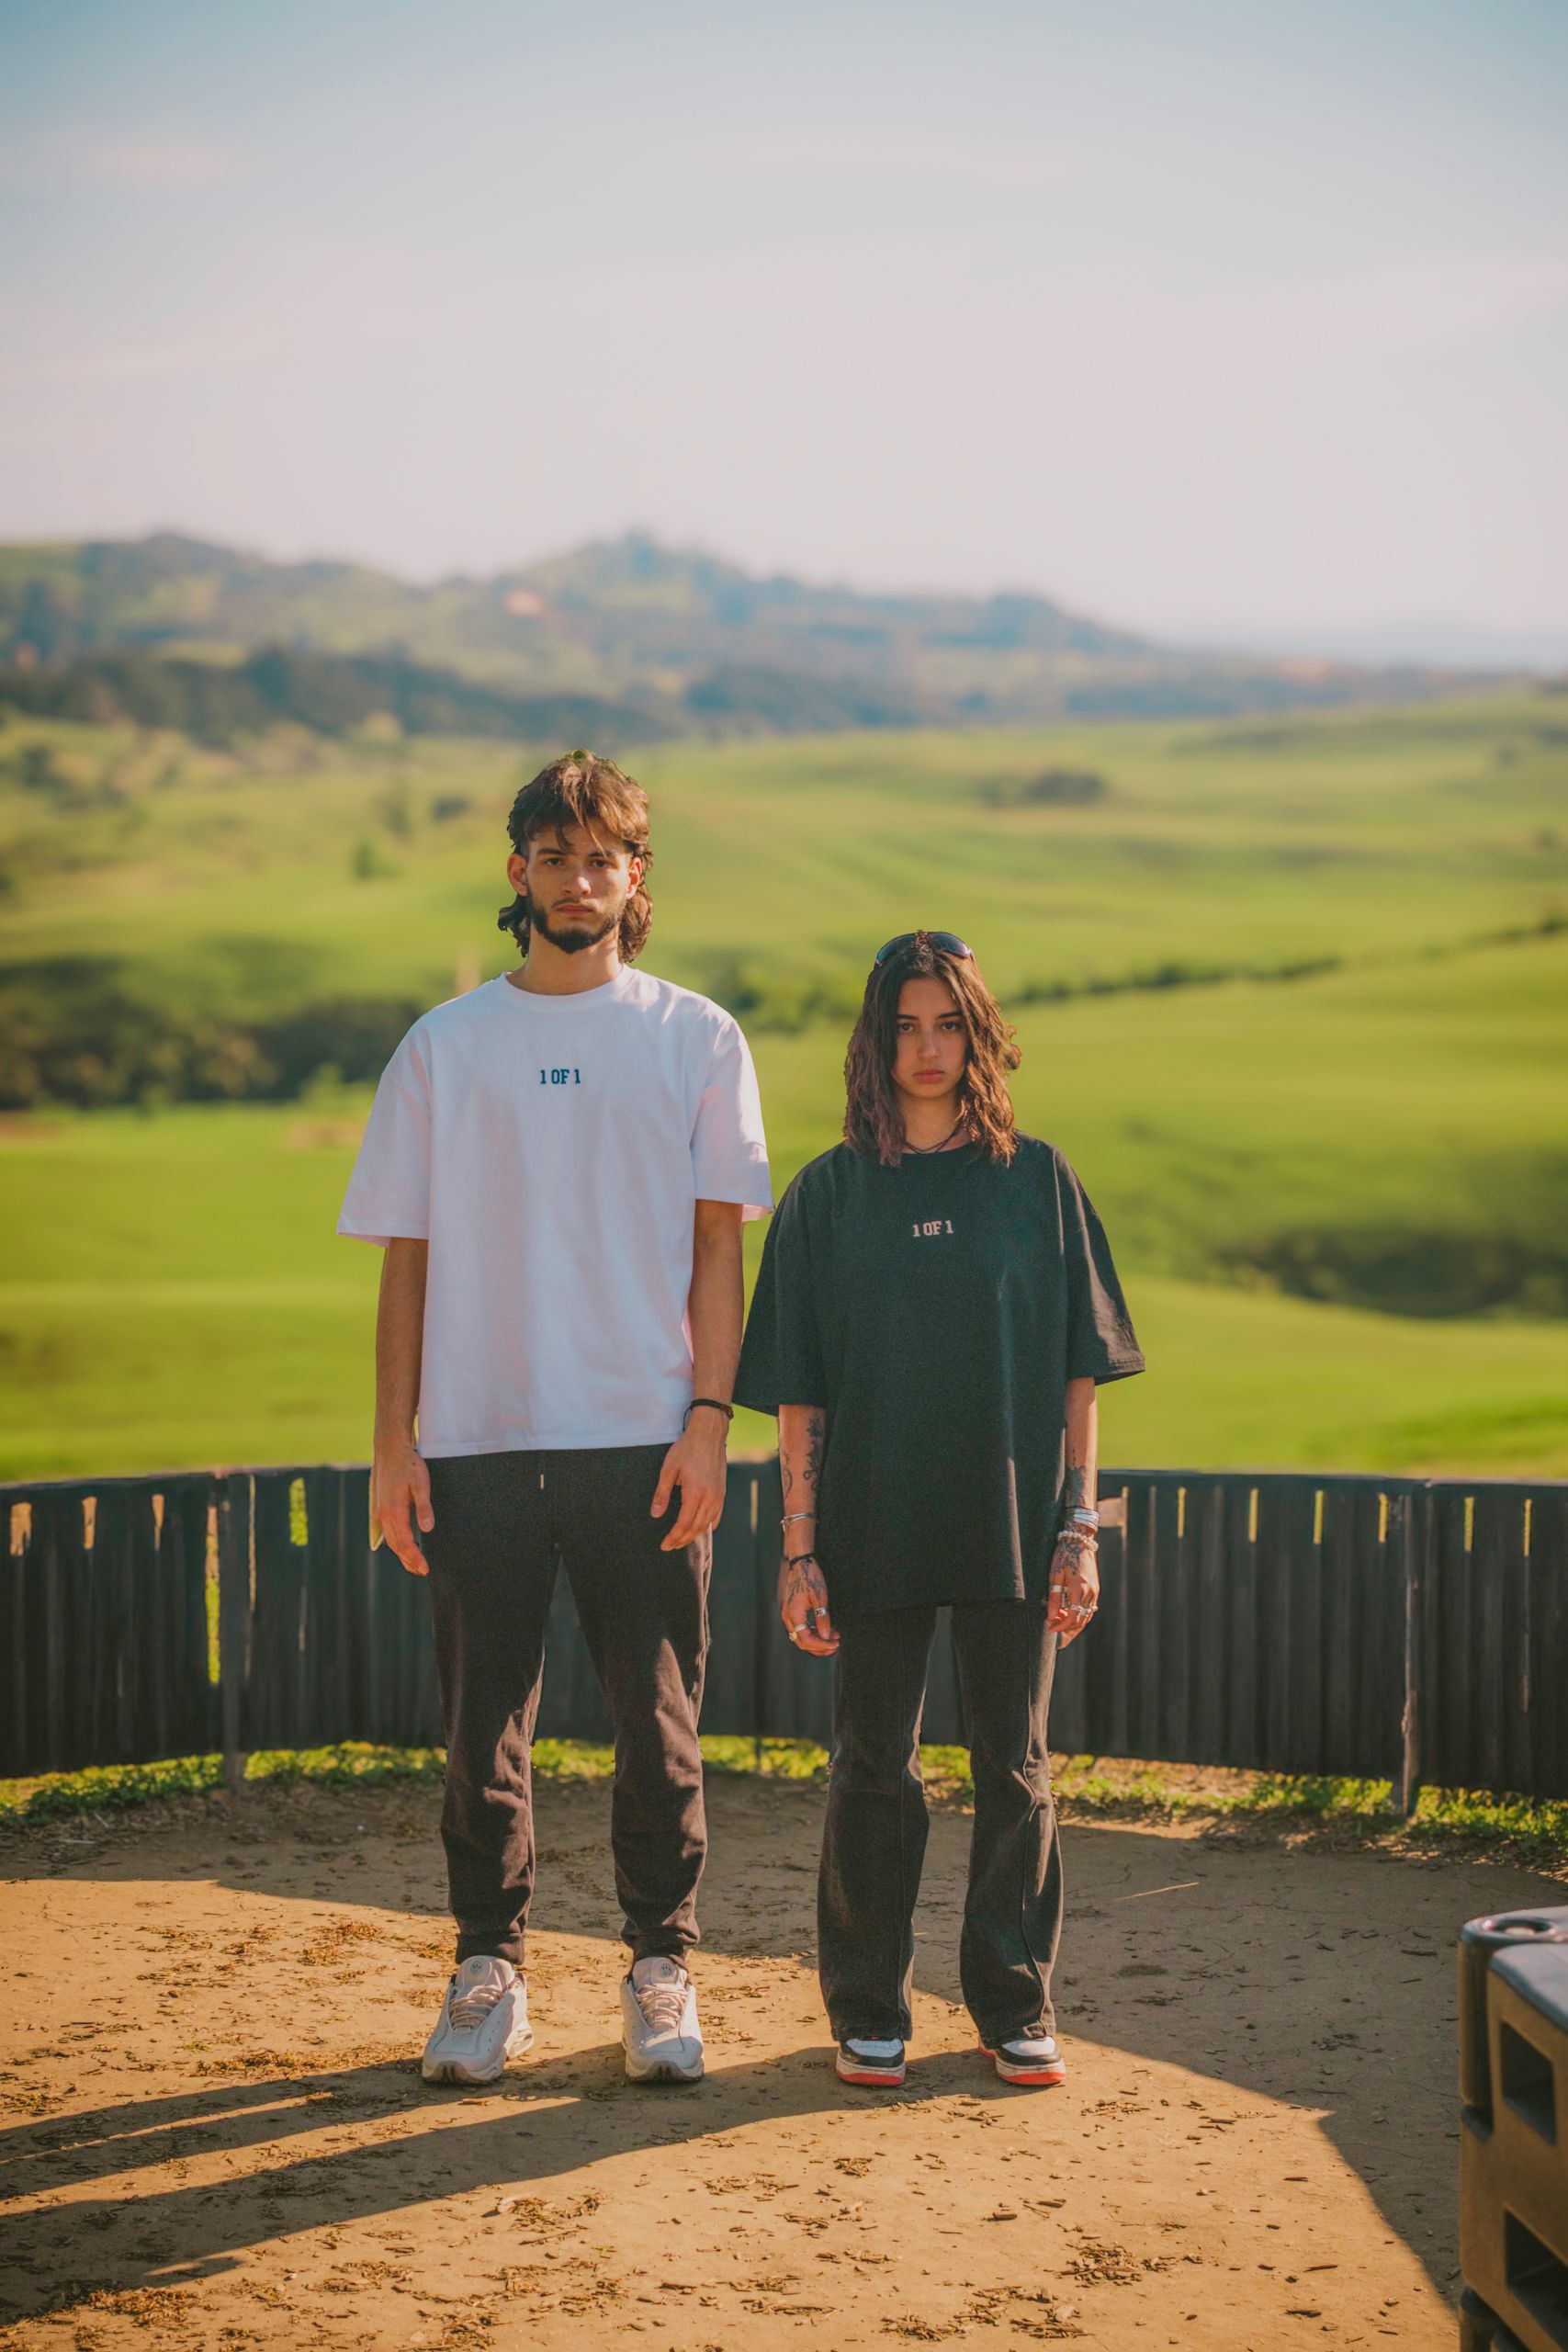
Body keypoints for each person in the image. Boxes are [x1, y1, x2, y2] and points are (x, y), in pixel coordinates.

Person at [338, 750, 772, 2087]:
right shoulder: (443, 1046)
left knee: (657, 1725)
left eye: (602, 859)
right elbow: (402, 1257)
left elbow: (717, 1252)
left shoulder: (696, 1036)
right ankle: (490, 1970)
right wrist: (393, 1442)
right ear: (516, 872)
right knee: (482, 1733)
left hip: (643, 1440)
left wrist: (707, 1420)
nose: (577, 881)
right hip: (476, 1438)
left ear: (634, 879)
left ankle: (659, 1969)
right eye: (553, 856)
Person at [734, 930, 1143, 2090]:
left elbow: (1079, 1369)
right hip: (869, 1523)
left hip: (1014, 1522)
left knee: (1014, 1764)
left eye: (948, 1023)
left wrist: (1078, 1527)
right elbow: (798, 1393)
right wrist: (799, 1550)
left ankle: (1013, 2001)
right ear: (876, 1038)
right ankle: (870, 2004)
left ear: (979, 1031)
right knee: (875, 1765)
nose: (928, 1048)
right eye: (906, 1025)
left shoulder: (1039, 1182)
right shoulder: (829, 1194)